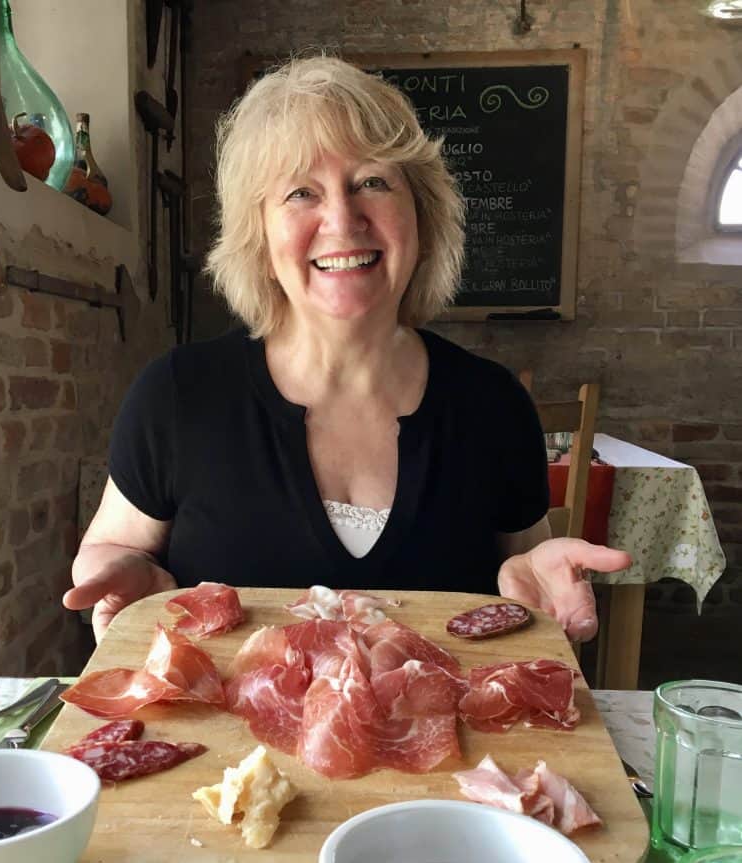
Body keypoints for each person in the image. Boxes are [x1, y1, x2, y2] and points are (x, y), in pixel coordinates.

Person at [63, 55, 631, 643]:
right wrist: (113, 573)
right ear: (258, 232)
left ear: (422, 216)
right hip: (223, 737)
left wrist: (537, 588)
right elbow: (115, 546)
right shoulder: (178, 394)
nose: (342, 219)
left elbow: (525, 567)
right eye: (301, 192)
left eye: (373, 182)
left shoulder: (493, 403)